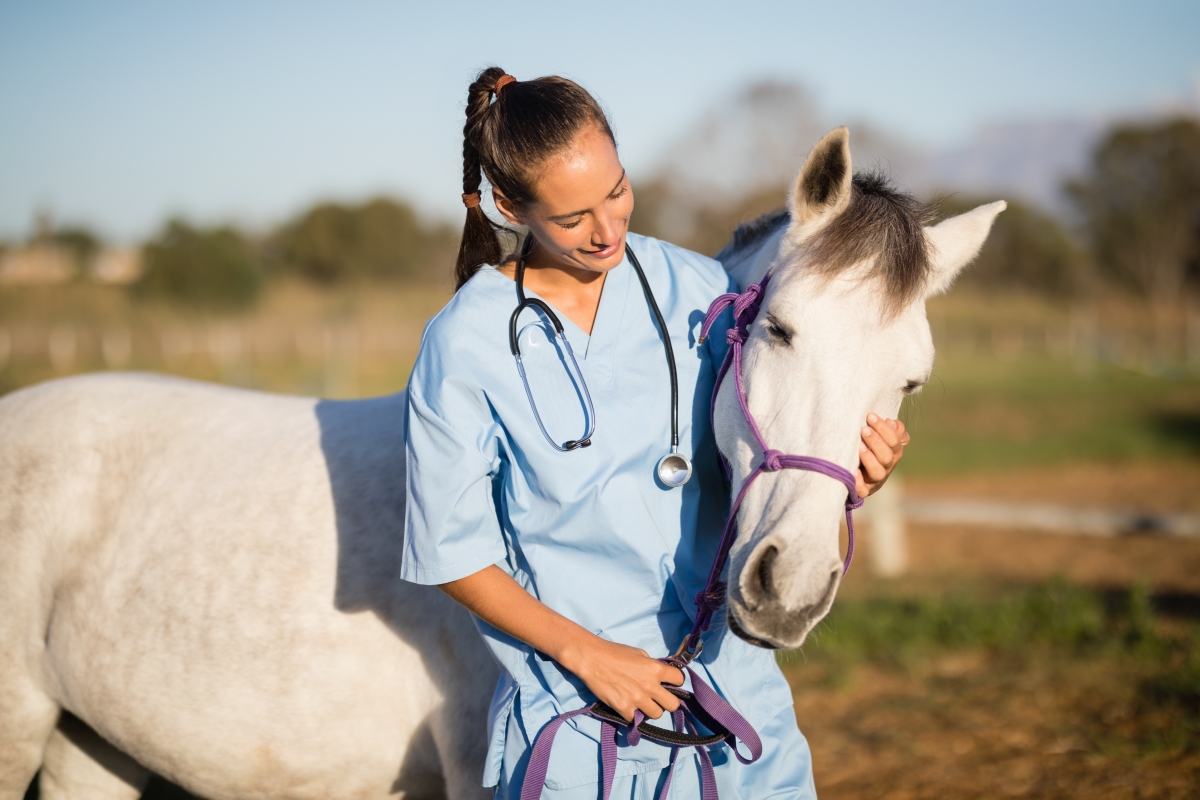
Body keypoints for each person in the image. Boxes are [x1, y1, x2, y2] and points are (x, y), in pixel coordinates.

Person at [401, 67, 909, 799]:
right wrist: (591, 656)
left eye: (616, 192)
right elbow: (453, 552)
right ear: (510, 206)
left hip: (734, 707)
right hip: (581, 718)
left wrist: (856, 473)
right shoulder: (465, 344)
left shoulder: (705, 292)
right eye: (573, 218)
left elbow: (770, 450)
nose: (608, 230)